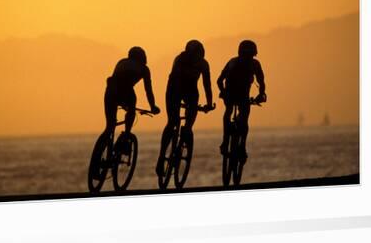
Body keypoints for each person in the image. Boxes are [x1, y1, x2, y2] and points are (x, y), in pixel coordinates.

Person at [156, 40, 215, 176]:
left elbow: (207, 84)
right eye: (195, 55)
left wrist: (209, 103)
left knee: (189, 123)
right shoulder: (180, 59)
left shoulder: (203, 64)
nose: (196, 58)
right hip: (174, 87)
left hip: (191, 90)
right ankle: (161, 157)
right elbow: (175, 81)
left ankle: (187, 133)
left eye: (199, 55)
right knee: (172, 121)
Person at [217, 40, 266, 159]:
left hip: (238, 95)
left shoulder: (251, 64)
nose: (248, 58)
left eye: (250, 56)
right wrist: (261, 94)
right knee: (236, 114)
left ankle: (235, 144)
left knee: (240, 117)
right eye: (247, 56)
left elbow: (261, 82)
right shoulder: (236, 63)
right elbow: (220, 80)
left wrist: (261, 93)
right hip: (232, 94)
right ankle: (228, 143)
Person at [103, 46, 160, 140]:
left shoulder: (122, 62)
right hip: (126, 91)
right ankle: (126, 135)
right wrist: (153, 106)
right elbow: (148, 90)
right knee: (131, 111)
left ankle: (100, 150)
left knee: (109, 127)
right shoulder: (144, 69)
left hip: (110, 90)